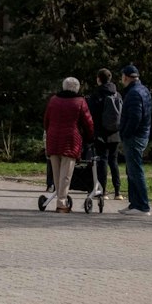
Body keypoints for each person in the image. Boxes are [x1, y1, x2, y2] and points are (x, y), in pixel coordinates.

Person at [44, 77, 95, 212]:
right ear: (77, 88)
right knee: (66, 174)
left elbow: (46, 120)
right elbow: (88, 122)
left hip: (53, 138)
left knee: (56, 172)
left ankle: (61, 198)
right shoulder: (80, 101)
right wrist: (90, 137)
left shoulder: (53, 100)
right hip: (70, 140)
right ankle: (61, 203)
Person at [118, 64, 152, 214]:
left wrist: (125, 133)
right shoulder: (143, 90)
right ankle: (134, 203)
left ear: (126, 77)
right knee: (132, 170)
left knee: (135, 171)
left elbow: (135, 117)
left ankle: (142, 205)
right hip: (142, 134)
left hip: (134, 136)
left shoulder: (133, 93)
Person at [87, 68, 124, 200]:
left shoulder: (96, 95)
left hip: (101, 132)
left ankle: (102, 191)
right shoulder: (117, 94)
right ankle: (118, 192)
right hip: (115, 132)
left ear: (98, 79)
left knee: (102, 160)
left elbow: (91, 113)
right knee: (113, 161)